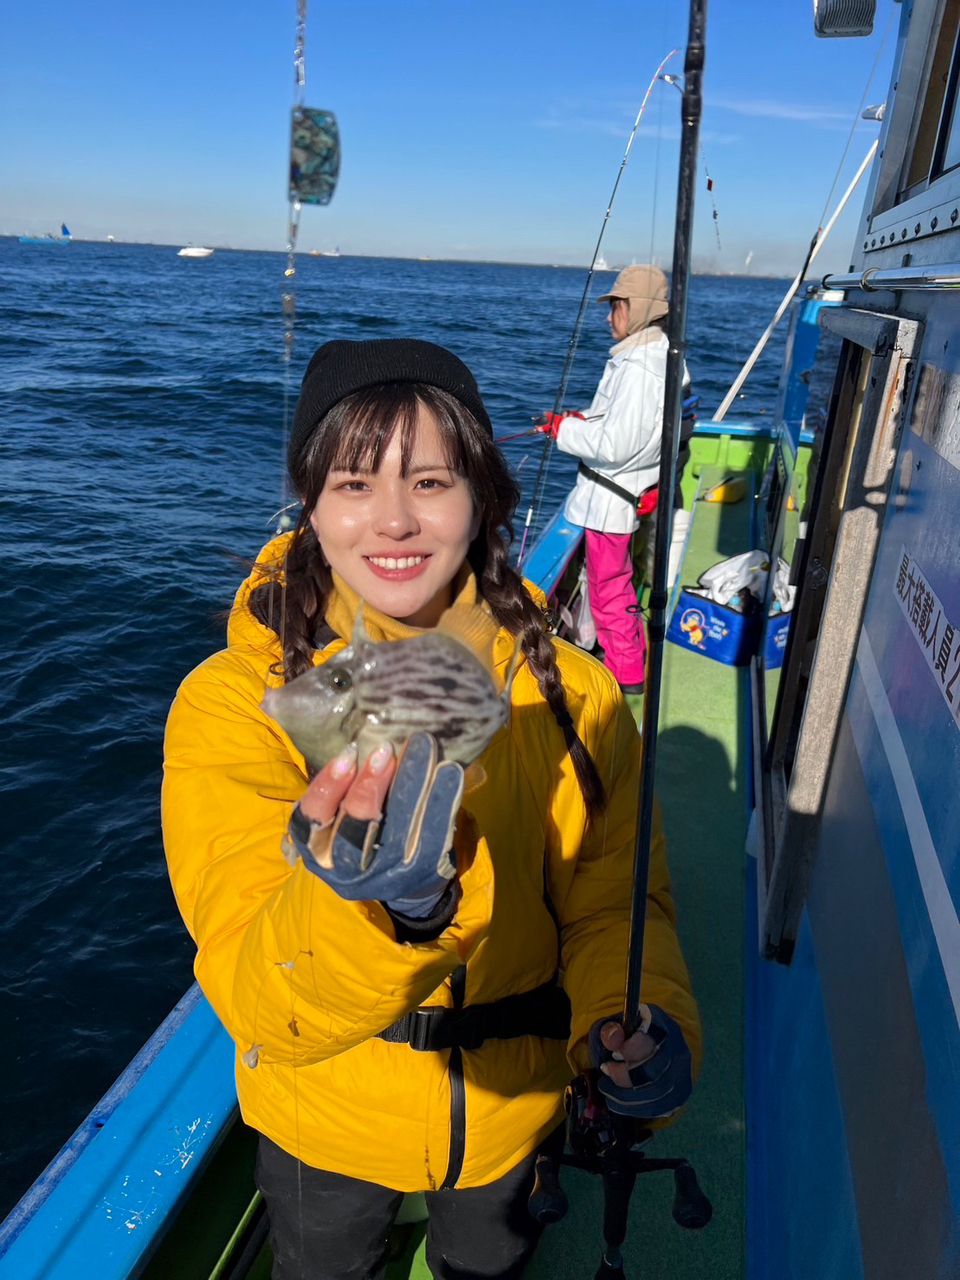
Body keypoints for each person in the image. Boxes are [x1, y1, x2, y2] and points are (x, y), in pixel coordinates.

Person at [162, 338, 701, 1280]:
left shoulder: (573, 693)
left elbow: (616, 902)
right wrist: (381, 915)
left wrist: (640, 1018)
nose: (395, 520)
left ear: (485, 497)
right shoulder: (232, 701)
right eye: (354, 484)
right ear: (312, 509)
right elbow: (253, 987)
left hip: (508, 1108)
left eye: (433, 481)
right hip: (323, 1108)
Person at [538, 265, 690, 695]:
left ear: (638, 309)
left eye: (617, 307)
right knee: (613, 585)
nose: (610, 316)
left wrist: (562, 430)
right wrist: (579, 419)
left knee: (609, 591)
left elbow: (619, 444)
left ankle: (627, 678)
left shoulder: (641, 369)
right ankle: (623, 663)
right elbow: (626, 424)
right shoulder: (650, 357)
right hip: (624, 496)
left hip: (610, 504)